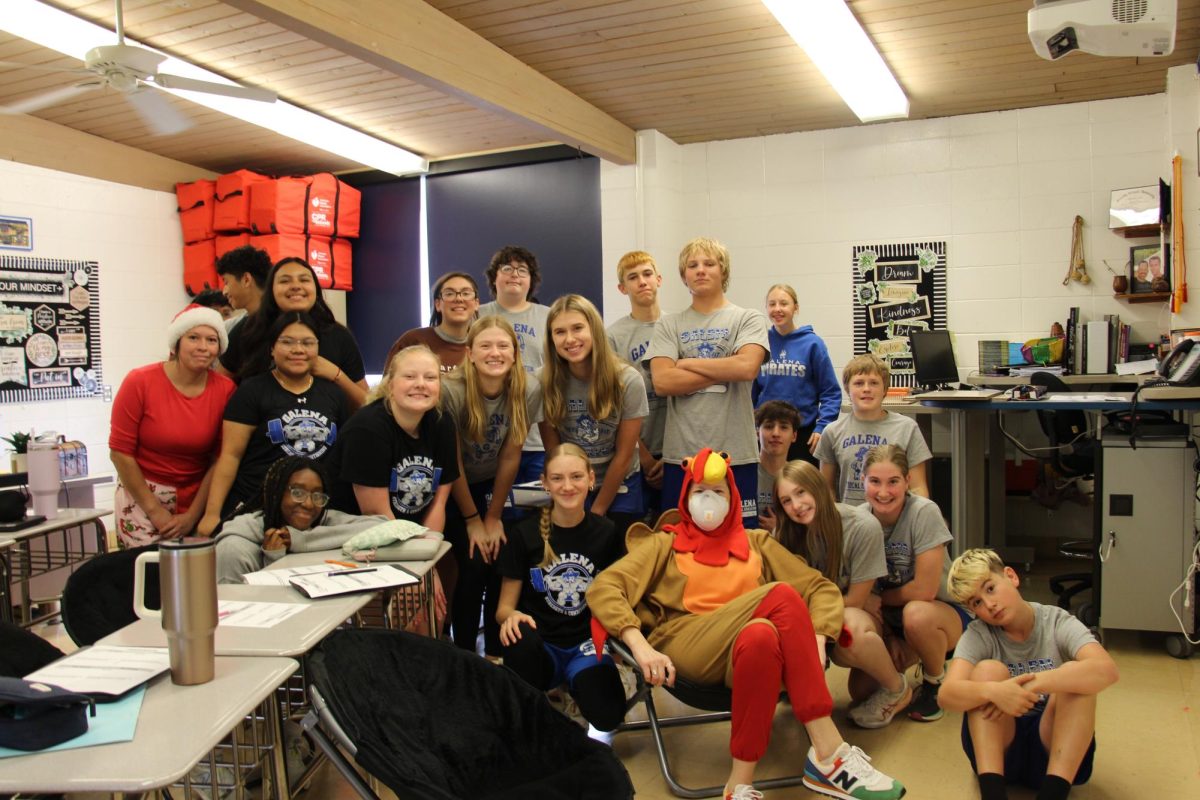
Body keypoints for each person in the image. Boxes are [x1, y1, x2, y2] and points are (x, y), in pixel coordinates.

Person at [588, 448, 906, 800]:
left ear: (733, 498)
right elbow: (605, 587)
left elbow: (820, 588)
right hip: (687, 645)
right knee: (783, 595)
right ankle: (829, 752)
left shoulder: (757, 543)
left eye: (718, 492)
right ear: (685, 498)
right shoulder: (665, 543)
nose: (709, 500)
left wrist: (815, 638)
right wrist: (640, 645)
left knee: (762, 636)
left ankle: (738, 785)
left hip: (741, 653)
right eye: (699, 492)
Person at [941, 549, 1119, 800]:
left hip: (1051, 751)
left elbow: (1107, 670)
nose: (989, 605)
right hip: (1002, 750)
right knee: (987, 671)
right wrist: (994, 691)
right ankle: (992, 793)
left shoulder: (1056, 621)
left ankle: (1053, 793)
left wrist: (1030, 686)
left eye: (990, 588)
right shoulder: (980, 634)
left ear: (1011, 576)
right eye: (976, 603)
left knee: (1074, 675)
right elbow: (947, 695)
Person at [495, 444, 626, 732]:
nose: (568, 486)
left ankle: (576, 687)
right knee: (517, 637)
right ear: (544, 483)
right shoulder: (524, 533)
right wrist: (511, 617)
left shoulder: (607, 533)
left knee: (608, 717)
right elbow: (503, 608)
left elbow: (621, 601)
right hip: (542, 646)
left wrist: (617, 654)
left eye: (577, 477)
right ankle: (543, 693)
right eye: (557, 478)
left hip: (587, 645)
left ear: (591, 479)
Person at [771, 460, 910, 729]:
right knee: (860, 691)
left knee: (849, 628)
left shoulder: (861, 526)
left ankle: (897, 687)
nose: (796, 506)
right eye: (786, 501)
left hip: (859, 618)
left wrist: (813, 615)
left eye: (801, 493)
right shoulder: (782, 535)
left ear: (819, 488)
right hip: (815, 619)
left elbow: (857, 601)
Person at [647, 237, 769, 528]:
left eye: (709, 264)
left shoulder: (747, 318)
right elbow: (663, 381)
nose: (700, 270)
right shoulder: (669, 324)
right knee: (681, 541)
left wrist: (686, 363)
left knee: (740, 539)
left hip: (735, 455)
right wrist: (724, 366)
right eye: (693, 265)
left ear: (723, 271)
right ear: (683, 275)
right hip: (682, 457)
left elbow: (747, 367)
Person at [441, 317, 542, 656]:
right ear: (469, 353)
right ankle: (466, 652)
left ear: (515, 354)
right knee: (472, 564)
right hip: (454, 484)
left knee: (500, 556)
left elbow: (511, 455)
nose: (494, 353)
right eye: (485, 345)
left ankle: (498, 655)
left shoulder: (527, 389)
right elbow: (451, 463)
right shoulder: (451, 391)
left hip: (491, 482)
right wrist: (473, 520)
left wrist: (493, 516)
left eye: (503, 346)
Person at [198, 311, 348, 536]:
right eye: (287, 342)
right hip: (257, 508)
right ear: (271, 348)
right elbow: (230, 456)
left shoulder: (334, 394)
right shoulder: (251, 391)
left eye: (307, 343)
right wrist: (212, 514)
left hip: (312, 512)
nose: (298, 349)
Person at [856, 444, 969, 724]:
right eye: (875, 482)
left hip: (941, 613)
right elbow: (862, 588)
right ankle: (903, 680)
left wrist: (878, 600)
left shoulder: (924, 512)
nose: (883, 492)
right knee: (859, 691)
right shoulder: (857, 519)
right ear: (863, 481)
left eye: (893, 481)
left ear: (908, 481)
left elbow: (924, 590)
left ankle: (935, 680)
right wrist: (888, 636)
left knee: (916, 614)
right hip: (894, 618)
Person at [109, 305, 234, 548]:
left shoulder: (226, 390)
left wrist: (193, 515)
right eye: (193, 338)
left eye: (211, 340)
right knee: (148, 574)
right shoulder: (139, 381)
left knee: (191, 578)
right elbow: (120, 452)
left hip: (196, 497)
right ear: (176, 343)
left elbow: (220, 459)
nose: (202, 347)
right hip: (141, 495)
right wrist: (155, 510)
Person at [541, 294, 648, 537]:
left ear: (595, 330)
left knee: (617, 553)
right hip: (572, 481)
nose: (570, 339)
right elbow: (553, 450)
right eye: (559, 332)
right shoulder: (544, 381)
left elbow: (624, 453)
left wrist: (597, 511)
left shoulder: (628, 380)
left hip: (620, 481)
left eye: (578, 328)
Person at [326, 345, 459, 531]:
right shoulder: (366, 429)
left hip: (409, 533)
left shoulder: (442, 423)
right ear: (390, 386)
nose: (421, 384)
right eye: (409, 376)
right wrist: (414, 554)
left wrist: (429, 549)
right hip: (356, 535)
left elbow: (438, 504)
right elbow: (376, 515)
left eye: (430, 377)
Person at [219, 257, 367, 410]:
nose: (296, 286)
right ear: (271, 290)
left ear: (315, 289)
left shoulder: (338, 335)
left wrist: (336, 375)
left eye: (304, 280)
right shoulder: (249, 330)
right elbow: (218, 390)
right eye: (285, 281)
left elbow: (367, 404)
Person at [213, 457, 387, 584]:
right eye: (297, 493)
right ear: (276, 493)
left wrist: (301, 540)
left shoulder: (318, 520)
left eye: (318, 495)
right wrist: (273, 558)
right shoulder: (234, 549)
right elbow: (235, 615)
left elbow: (382, 526)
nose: (309, 504)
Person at [477, 245, 551, 482]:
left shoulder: (549, 316)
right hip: (491, 436)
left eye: (522, 270)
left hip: (538, 436)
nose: (515, 274)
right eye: (507, 268)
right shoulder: (476, 316)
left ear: (531, 280)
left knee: (537, 513)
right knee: (498, 510)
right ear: (494, 277)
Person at [815, 354, 931, 505]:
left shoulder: (907, 428)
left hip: (895, 522)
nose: (867, 389)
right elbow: (826, 489)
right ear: (847, 389)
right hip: (851, 523)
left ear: (885, 389)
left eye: (874, 383)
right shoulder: (832, 432)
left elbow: (918, 488)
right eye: (858, 383)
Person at [752, 283, 842, 466]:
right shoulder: (760, 343)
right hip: (767, 433)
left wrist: (822, 426)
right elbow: (750, 392)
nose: (777, 309)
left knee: (800, 489)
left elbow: (831, 392)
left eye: (783, 303)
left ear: (796, 308)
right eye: (772, 304)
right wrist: (752, 424)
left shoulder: (812, 344)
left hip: (803, 435)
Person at [607, 250, 667, 514]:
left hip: (678, 452)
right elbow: (614, 406)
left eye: (647, 274)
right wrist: (643, 456)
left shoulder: (677, 326)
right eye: (633, 277)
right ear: (622, 288)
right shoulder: (613, 337)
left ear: (659, 279)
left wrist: (673, 455)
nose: (642, 281)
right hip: (636, 454)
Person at [382, 271, 480, 373]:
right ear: (438, 305)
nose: (459, 299)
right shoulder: (413, 341)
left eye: (466, 293)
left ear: (476, 304)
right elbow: (387, 386)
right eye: (449, 294)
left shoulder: (482, 346)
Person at [754, 400, 801, 532]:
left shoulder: (801, 478)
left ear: (794, 436)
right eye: (769, 426)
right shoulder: (744, 474)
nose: (776, 433)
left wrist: (780, 529)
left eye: (784, 427)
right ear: (757, 433)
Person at [216, 244, 271, 321]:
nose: (224, 292)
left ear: (246, 280)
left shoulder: (285, 325)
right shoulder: (235, 326)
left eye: (226, 282)